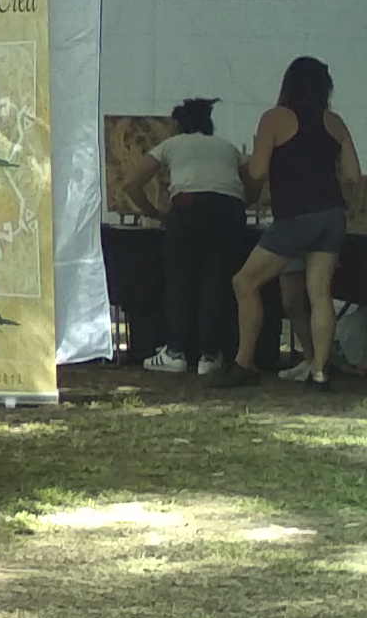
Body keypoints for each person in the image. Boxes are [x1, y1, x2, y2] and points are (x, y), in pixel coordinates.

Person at [233, 57, 363, 389]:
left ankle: (243, 363)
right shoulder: (334, 122)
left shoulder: (275, 118)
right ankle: (319, 371)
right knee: (319, 293)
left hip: (294, 215)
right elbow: (352, 175)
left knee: (245, 282)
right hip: (331, 214)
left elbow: (258, 171)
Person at [133, 95, 251, 380]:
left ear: (178, 125)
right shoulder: (227, 147)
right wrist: (239, 204)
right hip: (229, 210)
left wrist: (154, 212)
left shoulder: (171, 145)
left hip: (188, 207)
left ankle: (175, 352)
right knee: (217, 280)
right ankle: (209, 356)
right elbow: (254, 183)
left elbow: (131, 182)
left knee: (180, 280)